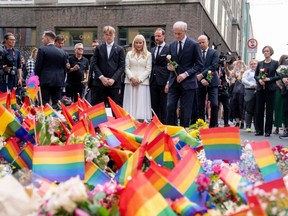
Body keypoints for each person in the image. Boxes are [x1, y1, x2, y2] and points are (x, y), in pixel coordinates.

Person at [166, 21, 203, 128]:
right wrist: (169, 67)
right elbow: (168, 62)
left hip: (188, 83)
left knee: (185, 110)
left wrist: (186, 74)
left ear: (185, 32)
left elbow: (199, 65)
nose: (177, 36)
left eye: (179, 34)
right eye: (175, 33)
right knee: (170, 106)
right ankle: (171, 131)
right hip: (174, 81)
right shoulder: (172, 45)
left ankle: (183, 133)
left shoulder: (194, 45)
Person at [90, 26, 125, 106]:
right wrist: (101, 77)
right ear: (104, 36)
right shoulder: (98, 48)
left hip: (114, 84)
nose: (109, 36)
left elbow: (122, 66)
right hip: (99, 83)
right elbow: (94, 64)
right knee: (98, 109)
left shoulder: (120, 49)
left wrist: (113, 79)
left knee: (114, 108)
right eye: (106, 34)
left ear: (114, 35)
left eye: (110, 34)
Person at [34, 30, 67, 109]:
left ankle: (45, 120)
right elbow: (64, 69)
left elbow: (38, 67)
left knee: (44, 103)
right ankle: (57, 120)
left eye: (43, 38)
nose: (42, 40)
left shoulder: (42, 50)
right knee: (57, 104)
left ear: (47, 39)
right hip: (58, 81)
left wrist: (36, 79)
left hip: (45, 81)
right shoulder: (63, 52)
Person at [123, 34, 152, 121]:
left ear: (143, 43)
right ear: (133, 43)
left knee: (141, 105)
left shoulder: (148, 54)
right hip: (130, 82)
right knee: (130, 104)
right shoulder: (129, 54)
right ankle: (129, 122)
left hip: (142, 83)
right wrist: (132, 78)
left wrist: (139, 79)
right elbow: (126, 67)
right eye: (136, 43)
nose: (138, 45)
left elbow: (148, 69)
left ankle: (141, 122)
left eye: (140, 43)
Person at [254, 45, 279, 137]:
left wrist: (270, 79)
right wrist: (259, 80)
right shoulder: (260, 63)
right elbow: (255, 75)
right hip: (261, 89)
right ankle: (259, 130)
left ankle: (268, 131)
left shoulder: (275, 63)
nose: (265, 52)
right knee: (259, 110)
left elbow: (279, 75)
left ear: (271, 52)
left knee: (269, 110)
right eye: (264, 51)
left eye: (267, 51)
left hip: (270, 89)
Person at [196, 35, 219, 128]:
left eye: (203, 42)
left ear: (207, 42)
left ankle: (213, 125)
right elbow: (195, 66)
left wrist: (206, 78)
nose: (201, 44)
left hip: (212, 81)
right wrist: (201, 79)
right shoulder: (196, 53)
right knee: (200, 105)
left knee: (214, 104)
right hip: (199, 82)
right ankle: (202, 126)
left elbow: (213, 66)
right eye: (199, 43)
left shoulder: (214, 52)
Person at [150, 28, 170, 124]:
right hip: (153, 81)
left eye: (159, 36)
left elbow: (171, 67)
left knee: (164, 105)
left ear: (163, 36)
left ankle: (164, 124)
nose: (156, 38)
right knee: (154, 105)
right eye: (155, 36)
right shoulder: (152, 49)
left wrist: (168, 82)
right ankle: (155, 124)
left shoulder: (168, 48)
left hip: (163, 80)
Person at [242, 59, 258, 132]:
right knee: (249, 109)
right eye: (251, 64)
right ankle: (248, 126)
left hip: (258, 91)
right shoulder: (247, 72)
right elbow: (243, 80)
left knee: (257, 110)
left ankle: (256, 126)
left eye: (254, 64)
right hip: (249, 90)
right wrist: (251, 85)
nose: (253, 65)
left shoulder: (260, 72)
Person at [273, 55, 287, 135]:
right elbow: (276, 79)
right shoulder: (279, 69)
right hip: (279, 90)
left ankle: (285, 127)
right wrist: (281, 87)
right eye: (285, 59)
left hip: (286, 89)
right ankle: (277, 127)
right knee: (278, 109)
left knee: (285, 109)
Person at [279, 59, 288, 139]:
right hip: (286, 90)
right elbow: (281, 73)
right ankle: (286, 130)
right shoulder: (286, 62)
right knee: (286, 110)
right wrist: (283, 78)